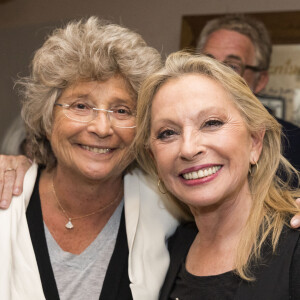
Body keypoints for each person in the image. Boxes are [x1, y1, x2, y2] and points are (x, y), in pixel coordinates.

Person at [0, 16, 181, 300]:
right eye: (81, 105)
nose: (101, 128)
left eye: (122, 110)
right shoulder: (5, 202)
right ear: (47, 119)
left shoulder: (171, 213)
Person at [134, 51, 300, 299]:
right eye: (167, 133)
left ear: (255, 142)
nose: (189, 149)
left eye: (211, 123)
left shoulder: (294, 243)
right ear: (153, 157)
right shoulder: (173, 246)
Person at [197, 14, 300, 170]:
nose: (215, 74)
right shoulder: (177, 134)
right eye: (208, 62)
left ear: (260, 81)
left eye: (232, 67)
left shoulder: (293, 144)